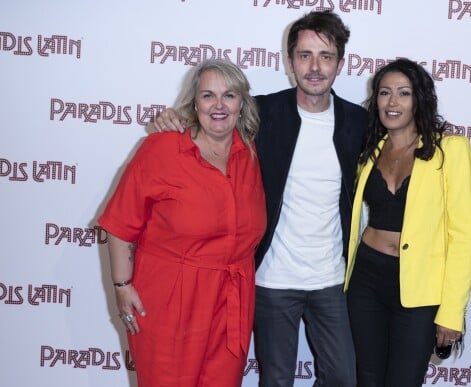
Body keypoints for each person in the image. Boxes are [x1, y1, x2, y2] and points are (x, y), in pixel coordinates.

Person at [154, 10, 365, 387]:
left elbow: (404, 133)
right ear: (289, 62)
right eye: (304, 55)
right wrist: (173, 119)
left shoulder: (357, 122)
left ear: (340, 64)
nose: (314, 67)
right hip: (271, 280)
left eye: (326, 56)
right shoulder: (263, 112)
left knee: (342, 378)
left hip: (330, 279)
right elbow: (213, 119)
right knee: (277, 380)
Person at [99, 59, 266, 387]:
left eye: (229, 95)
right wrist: (121, 286)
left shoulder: (249, 152)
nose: (218, 105)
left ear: (242, 103)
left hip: (232, 300)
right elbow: (119, 223)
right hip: (170, 299)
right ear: (194, 102)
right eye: (208, 96)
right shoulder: (162, 148)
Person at [344, 58, 471, 386]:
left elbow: (462, 235)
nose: (392, 102)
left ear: (419, 98)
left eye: (403, 93)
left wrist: (451, 312)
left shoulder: (450, 150)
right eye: (385, 92)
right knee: (368, 378)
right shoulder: (369, 150)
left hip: (419, 288)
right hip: (366, 279)